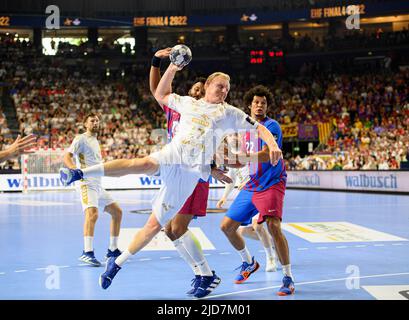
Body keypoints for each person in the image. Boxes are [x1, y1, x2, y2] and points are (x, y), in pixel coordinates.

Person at [60, 63, 282, 299]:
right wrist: (172, 67)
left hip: (189, 173)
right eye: (220, 86)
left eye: (227, 88)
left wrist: (273, 145)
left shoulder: (229, 113)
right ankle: (80, 173)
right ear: (207, 86)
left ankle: (117, 264)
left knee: (157, 226)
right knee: (141, 163)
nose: (224, 91)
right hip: (172, 155)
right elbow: (160, 93)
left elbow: (259, 128)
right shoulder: (187, 103)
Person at [149, 48, 231, 296]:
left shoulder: (211, 115)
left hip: (194, 175)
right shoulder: (177, 109)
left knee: (179, 228)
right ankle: (200, 273)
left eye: (200, 89)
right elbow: (156, 90)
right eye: (193, 89)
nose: (196, 92)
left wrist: (215, 167)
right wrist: (157, 61)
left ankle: (206, 274)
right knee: (169, 229)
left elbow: (214, 143)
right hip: (176, 172)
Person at [219, 85, 294, 296]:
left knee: (273, 226)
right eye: (256, 102)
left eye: (263, 103)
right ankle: (249, 263)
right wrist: (227, 161)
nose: (259, 105)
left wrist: (239, 158)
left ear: (266, 106)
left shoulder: (272, 126)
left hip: (272, 182)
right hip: (252, 184)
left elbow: (265, 154)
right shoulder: (244, 130)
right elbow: (242, 161)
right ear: (249, 106)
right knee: (226, 227)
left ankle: (287, 277)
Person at [63, 113, 123, 266]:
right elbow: (67, 156)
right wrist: (73, 169)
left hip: (97, 184)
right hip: (85, 183)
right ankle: (87, 252)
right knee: (92, 214)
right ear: (85, 124)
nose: (96, 123)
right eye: (92, 121)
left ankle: (113, 249)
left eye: (97, 121)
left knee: (117, 212)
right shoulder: (80, 139)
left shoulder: (96, 140)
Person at [216, 161, 279, 272]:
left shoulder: (252, 151)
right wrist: (224, 196)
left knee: (258, 226)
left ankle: (271, 258)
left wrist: (251, 181)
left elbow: (265, 171)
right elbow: (231, 180)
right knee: (242, 232)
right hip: (246, 196)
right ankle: (273, 243)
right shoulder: (234, 157)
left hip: (260, 190)